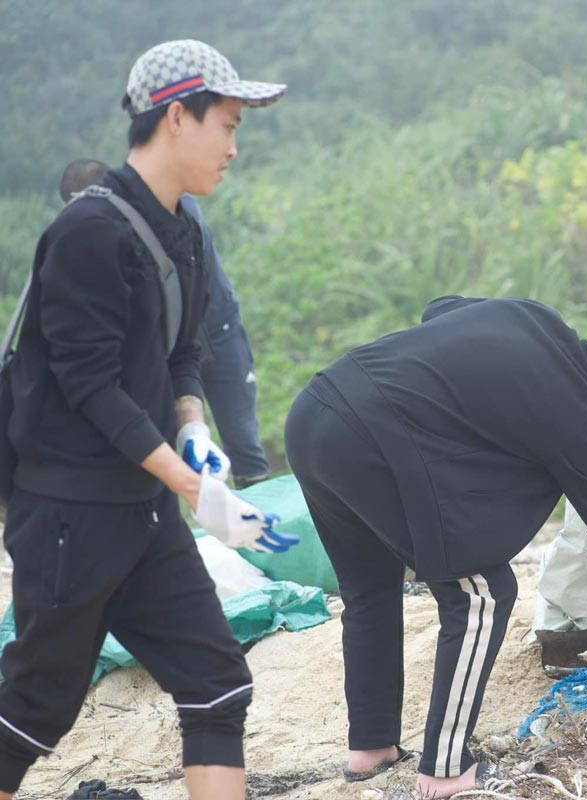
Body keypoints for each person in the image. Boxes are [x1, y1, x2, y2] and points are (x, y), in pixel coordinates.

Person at [284, 297, 587, 798]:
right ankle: (446, 771)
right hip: (368, 441)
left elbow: (439, 309)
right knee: (483, 593)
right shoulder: (572, 414)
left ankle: (371, 749)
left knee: (370, 589)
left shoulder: (532, 316)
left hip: (314, 414)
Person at [0, 40, 296, 800]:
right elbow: (92, 388)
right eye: (226, 125)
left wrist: (195, 433)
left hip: (141, 511)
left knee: (217, 685)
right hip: (69, 514)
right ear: (175, 118)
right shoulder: (87, 236)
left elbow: (181, 356)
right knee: (31, 713)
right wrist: (192, 487)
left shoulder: (185, 232)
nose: (234, 147)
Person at [59, 159, 272, 489]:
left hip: (214, 335)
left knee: (243, 446)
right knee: (170, 458)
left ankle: (257, 519)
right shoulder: (85, 246)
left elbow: (180, 306)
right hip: (168, 355)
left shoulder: (170, 213)